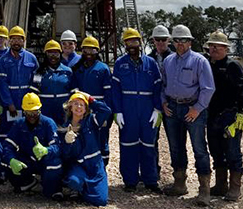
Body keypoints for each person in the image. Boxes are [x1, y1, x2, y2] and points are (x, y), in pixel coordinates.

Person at [161, 24, 215, 206]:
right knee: (176, 147)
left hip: (193, 109)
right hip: (172, 108)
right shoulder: (168, 61)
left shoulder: (200, 61)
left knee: (199, 148)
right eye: (176, 40)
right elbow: (162, 84)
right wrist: (164, 103)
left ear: (190, 42)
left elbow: (208, 88)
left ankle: (204, 189)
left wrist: (197, 108)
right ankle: (179, 182)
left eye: (183, 40)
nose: (180, 44)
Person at [112, 28, 163, 193]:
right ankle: (130, 181)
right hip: (128, 110)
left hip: (148, 108)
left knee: (149, 145)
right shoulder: (120, 63)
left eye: (135, 41)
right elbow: (115, 89)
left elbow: (157, 87)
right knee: (128, 145)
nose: (132, 45)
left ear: (140, 43)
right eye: (128, 42)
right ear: (125, 44)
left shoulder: (151, 63)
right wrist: (118, 111)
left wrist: (157, 109)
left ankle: (151, 180)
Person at [206, 31, 243, 202]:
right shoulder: (208, 65)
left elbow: (242, 89)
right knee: (216, 150)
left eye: (217, 46)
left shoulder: (233, 66)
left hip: (230, 115)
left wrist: (242, 112)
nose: (214, 48)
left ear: (226, 48)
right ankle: (220, 184)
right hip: (212, 114)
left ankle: (235, 188)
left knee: (232, 151)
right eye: (211, 45)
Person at [2, 93, 63, 200]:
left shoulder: (48, 123)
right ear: (23, 111)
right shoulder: (19, 124)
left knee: (55, 163)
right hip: (28, 160)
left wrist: (46, 150)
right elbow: (8, 146)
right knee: (6, 162)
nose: (32, 116)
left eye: (35, 112)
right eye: (28, 112)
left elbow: (58, 147)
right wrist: (11, 160)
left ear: (40, 109)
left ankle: (52, 187)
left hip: (44, 160)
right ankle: (28, 181)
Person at [60, 92, 111, 206]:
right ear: (70, 107)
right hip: (79, 166)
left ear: (86, 108)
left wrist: (90, 99)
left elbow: (106, 110)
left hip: (95, 164)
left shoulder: (92, 121)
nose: (79, 107)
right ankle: (76, 186)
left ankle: (84, 191)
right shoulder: (64, 128)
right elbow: (65, 155)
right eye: (76, 104)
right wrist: (67, 143)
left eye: (82, 105)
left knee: (100, 200)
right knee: (74, 182)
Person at [71, 36, 113, 166]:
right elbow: (74, 89)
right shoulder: (77, 69)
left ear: (97, 52)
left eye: (92, 51)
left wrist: (107, 116)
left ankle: (102, 167)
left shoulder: (103, 68)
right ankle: (83, 168)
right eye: (86, 51)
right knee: (83, 138)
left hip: (99, 109)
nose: (89, 54)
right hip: (82, 110)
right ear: (81, 51)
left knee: (101, 139)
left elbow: (109, 94)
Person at [0, 26, 39, 142]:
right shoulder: (3, 61)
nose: (16, 42)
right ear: (9, 41)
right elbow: (2, 84)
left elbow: (36, 81)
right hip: (11, 103)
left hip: (28, 103)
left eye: (19, 39)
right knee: (7, 130)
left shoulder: (32, 59)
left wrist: (32, 103)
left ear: (24, 41)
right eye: (13, 39)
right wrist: (9, 104)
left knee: (28, 130)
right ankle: (6, 154)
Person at [148, 24, 173, 176]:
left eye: (163, 39)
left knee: (175, 140)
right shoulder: (148, 59)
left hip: (171, 104)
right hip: (153, 104)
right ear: (153, 41)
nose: (160, 43)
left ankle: (179, 176)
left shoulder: (176, 58)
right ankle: (153, 172)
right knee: (152, 139)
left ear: (168, 40)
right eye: (157, 40)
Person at [36, 40, 72, 127]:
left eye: (56, 54)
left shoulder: (68, 71)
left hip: (63, 111)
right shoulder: (39, 72)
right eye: (50, 54)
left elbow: (73, 92)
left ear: (60, 54)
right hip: (45, 110)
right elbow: (34, 91)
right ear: (45, 55)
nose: (53, 57)